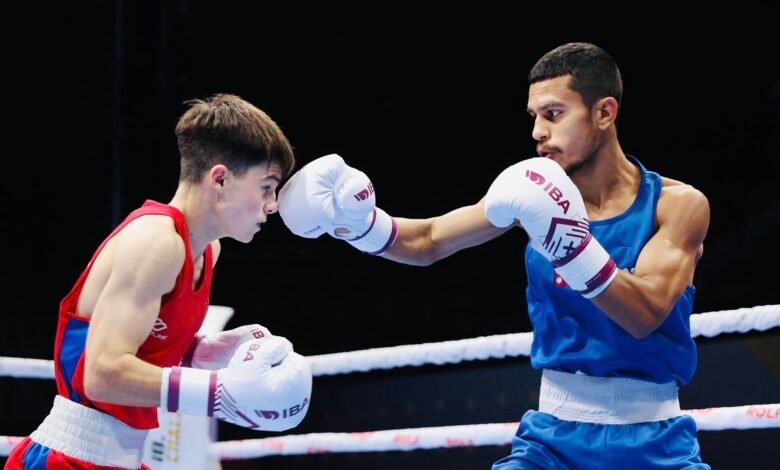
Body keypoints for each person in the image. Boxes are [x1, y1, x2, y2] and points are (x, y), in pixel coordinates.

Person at [278, 42, 711, 468]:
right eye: (534, 116)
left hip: (655, 444)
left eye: (553, 114)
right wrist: (359, 224)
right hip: (553, 442)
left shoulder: (676, 206)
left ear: (604, 113)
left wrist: (570, 243)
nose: (537, 131)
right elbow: (429, 240)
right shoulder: (534, 194)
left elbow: (644, 314)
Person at [6, 94, 312, 469]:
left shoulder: (207, 251)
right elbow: (100, 374)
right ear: (220, 179)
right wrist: (216, 394)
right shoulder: (156, 242)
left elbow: (143, 343)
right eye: (266, 186)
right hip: (68, 457)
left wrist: (203, 353)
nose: (273, 203)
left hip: (121, 459)